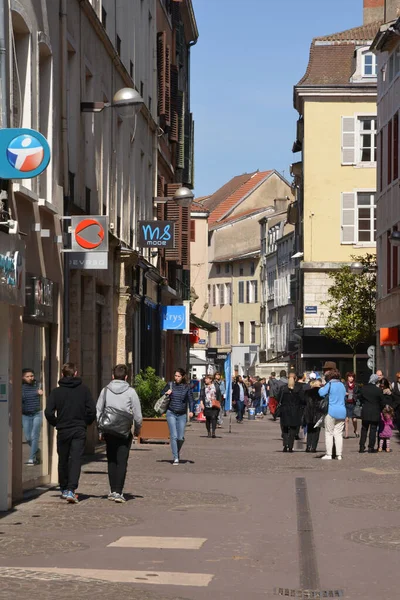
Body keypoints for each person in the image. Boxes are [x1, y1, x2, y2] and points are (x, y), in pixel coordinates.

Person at [45, 363, 96, 503]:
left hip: (63, 429)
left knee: (63, 459)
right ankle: (71, 489)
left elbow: (48, 412)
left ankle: (64, 487)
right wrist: (85, 422)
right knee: (75, 459)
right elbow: (92, 410)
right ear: (76, 373)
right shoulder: (84, 390)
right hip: (79, 429)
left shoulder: (56, 392)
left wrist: (57, 422)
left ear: (62, 374)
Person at [96, 364, 142, 503]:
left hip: (109, 430)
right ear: (126, 377)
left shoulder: (105, 391)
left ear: (112, 376)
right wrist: (137, 430)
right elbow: (138, 415)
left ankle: (112, 490)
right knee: (122, 461)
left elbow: (98, 410)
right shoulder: (131, 392)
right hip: (124, 431)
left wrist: (100, 429)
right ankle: (118, 491)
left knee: (111, 459)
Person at [163, 368, 194, 465]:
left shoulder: (187, 387)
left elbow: (191, 400)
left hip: (182, 414)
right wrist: (166, 393)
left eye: (178, 376)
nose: (176, 378)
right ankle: (175, 457)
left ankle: (176, 451)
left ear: (183, 377)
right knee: (174, 436)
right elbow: (161, 393)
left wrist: (192, 411)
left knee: (180, 437)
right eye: (175, 376)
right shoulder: (170, 384)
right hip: (171, 412)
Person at [318, 368, 346, 460]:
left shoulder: (329, 384)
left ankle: (329, 454)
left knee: (329, 433)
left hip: (331, 411)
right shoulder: (342, 385)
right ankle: (339, 455)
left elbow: (321, 393)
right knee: (338, 434)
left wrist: (322, 387)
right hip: (342, 411)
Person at [358, 374, 386, 454]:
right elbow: (383, 402)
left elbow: (360, 398)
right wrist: (380, 408)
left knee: (364, 429)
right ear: (376, 381)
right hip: (375, 411)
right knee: (373, 430)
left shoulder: (363, 388)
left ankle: (361, 447)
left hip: (365, 410)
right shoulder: (378, 390)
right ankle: (371, 447)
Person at [279, 373, 305, 452]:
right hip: (295, 410)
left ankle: (285, 445)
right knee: (293, 429)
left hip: (285, 410)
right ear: (295, 378)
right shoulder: (298, 388)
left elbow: (278, 398)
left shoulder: (283, 388)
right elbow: (302, 399)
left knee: (285, 429)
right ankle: (290, 446)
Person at [22, 368, 43, 466]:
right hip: (25, 414)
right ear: (23, 377)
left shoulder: (38, 385)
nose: (30, 378)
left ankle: (32, 458)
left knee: (35, 436)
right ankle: (37, 451)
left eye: (32, 376)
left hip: (37, 413)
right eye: (27, 376)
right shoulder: (21, 387)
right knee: (28, 438)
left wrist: (41, 393)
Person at [304, 379, 324, 452]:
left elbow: (304, 401)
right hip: (318, 412)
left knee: (309, 430)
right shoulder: (321, 392)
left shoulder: (307, 392)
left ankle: (308, 446)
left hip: (309, 412)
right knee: (316, 431)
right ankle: (313, 447)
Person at [344, 372, 360, 439]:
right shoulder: (344, 385)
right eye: (349, 377)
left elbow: (359, 394)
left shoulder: (356, 385)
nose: (351, 378)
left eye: (352, 377)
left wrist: (353, 395)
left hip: (354, 403)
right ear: (347, 377)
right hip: (346, 403)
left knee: (354, 419)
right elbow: (341, 392)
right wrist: (344, 393)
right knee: (346, 419)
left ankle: (355, 430)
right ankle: (346, 434)